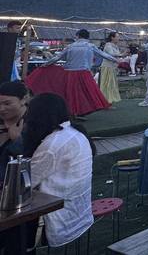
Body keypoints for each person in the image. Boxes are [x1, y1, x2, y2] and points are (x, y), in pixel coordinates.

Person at [23, 93, 95, 249]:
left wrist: (16, 139)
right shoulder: (75, 133)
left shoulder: (53, 144)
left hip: (55, 218)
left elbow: (25, 183)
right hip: (79, 212)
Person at [30, 29, 114, 116]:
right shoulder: (90, 46)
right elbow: (104, 55)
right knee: (87, 92)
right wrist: (116, 60)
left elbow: (56, 58)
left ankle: (73, 112)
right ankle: (81, 111)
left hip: (70, 73)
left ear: (78, 36)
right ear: (87, 37)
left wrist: (46, 64)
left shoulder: (71, 46)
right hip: (83, 72)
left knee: (71, 93)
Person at [0, 81, 27, 183]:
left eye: (7, 103)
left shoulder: (34, 123)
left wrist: (17, 140)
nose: (2, 109)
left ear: (23, 100)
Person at [99, 32, 122, 104]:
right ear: (112, 37)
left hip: (112, 68)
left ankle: (108, 101)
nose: (118, 38)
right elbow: (111, 54)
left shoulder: (115, 46)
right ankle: (105, 102)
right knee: (106, 85)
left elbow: (116, 56)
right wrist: (121, 54)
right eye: (117, 37)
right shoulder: (108, 45)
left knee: (111, 85)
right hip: (107, 67)